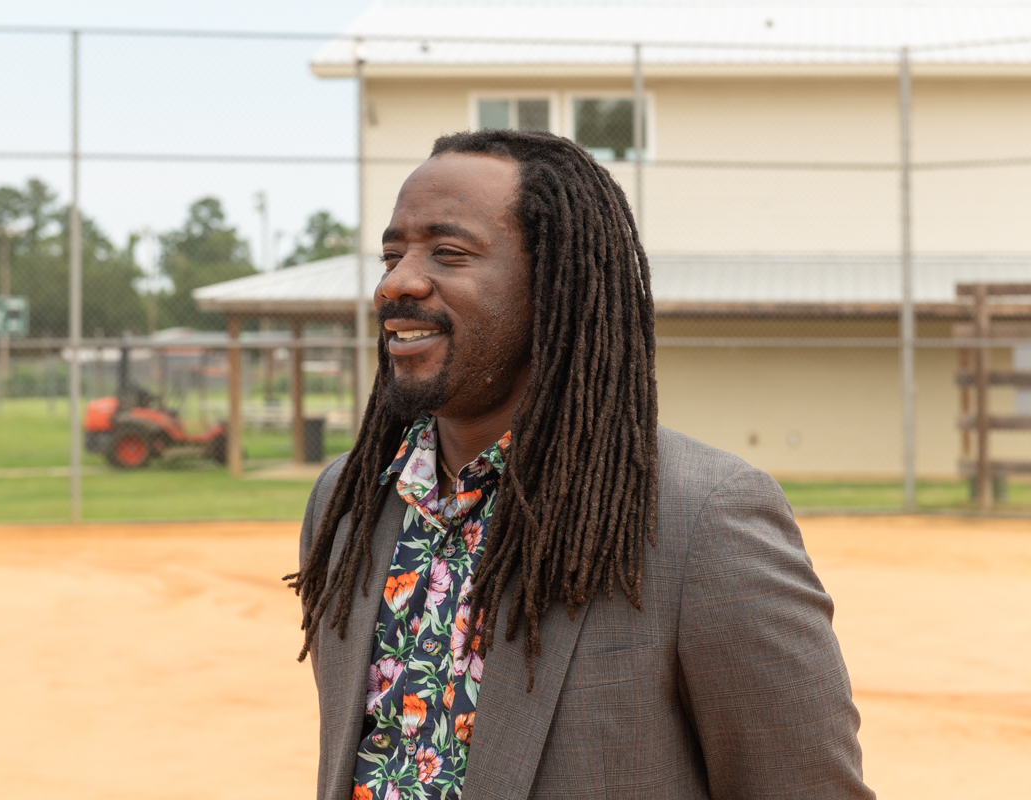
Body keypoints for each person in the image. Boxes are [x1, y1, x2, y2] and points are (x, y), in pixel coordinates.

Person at [286, 129, 872, 800]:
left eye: (448, 253)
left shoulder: (702, 520)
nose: (397, 282)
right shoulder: (348, 504)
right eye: (392, 255)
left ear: (555, 285)